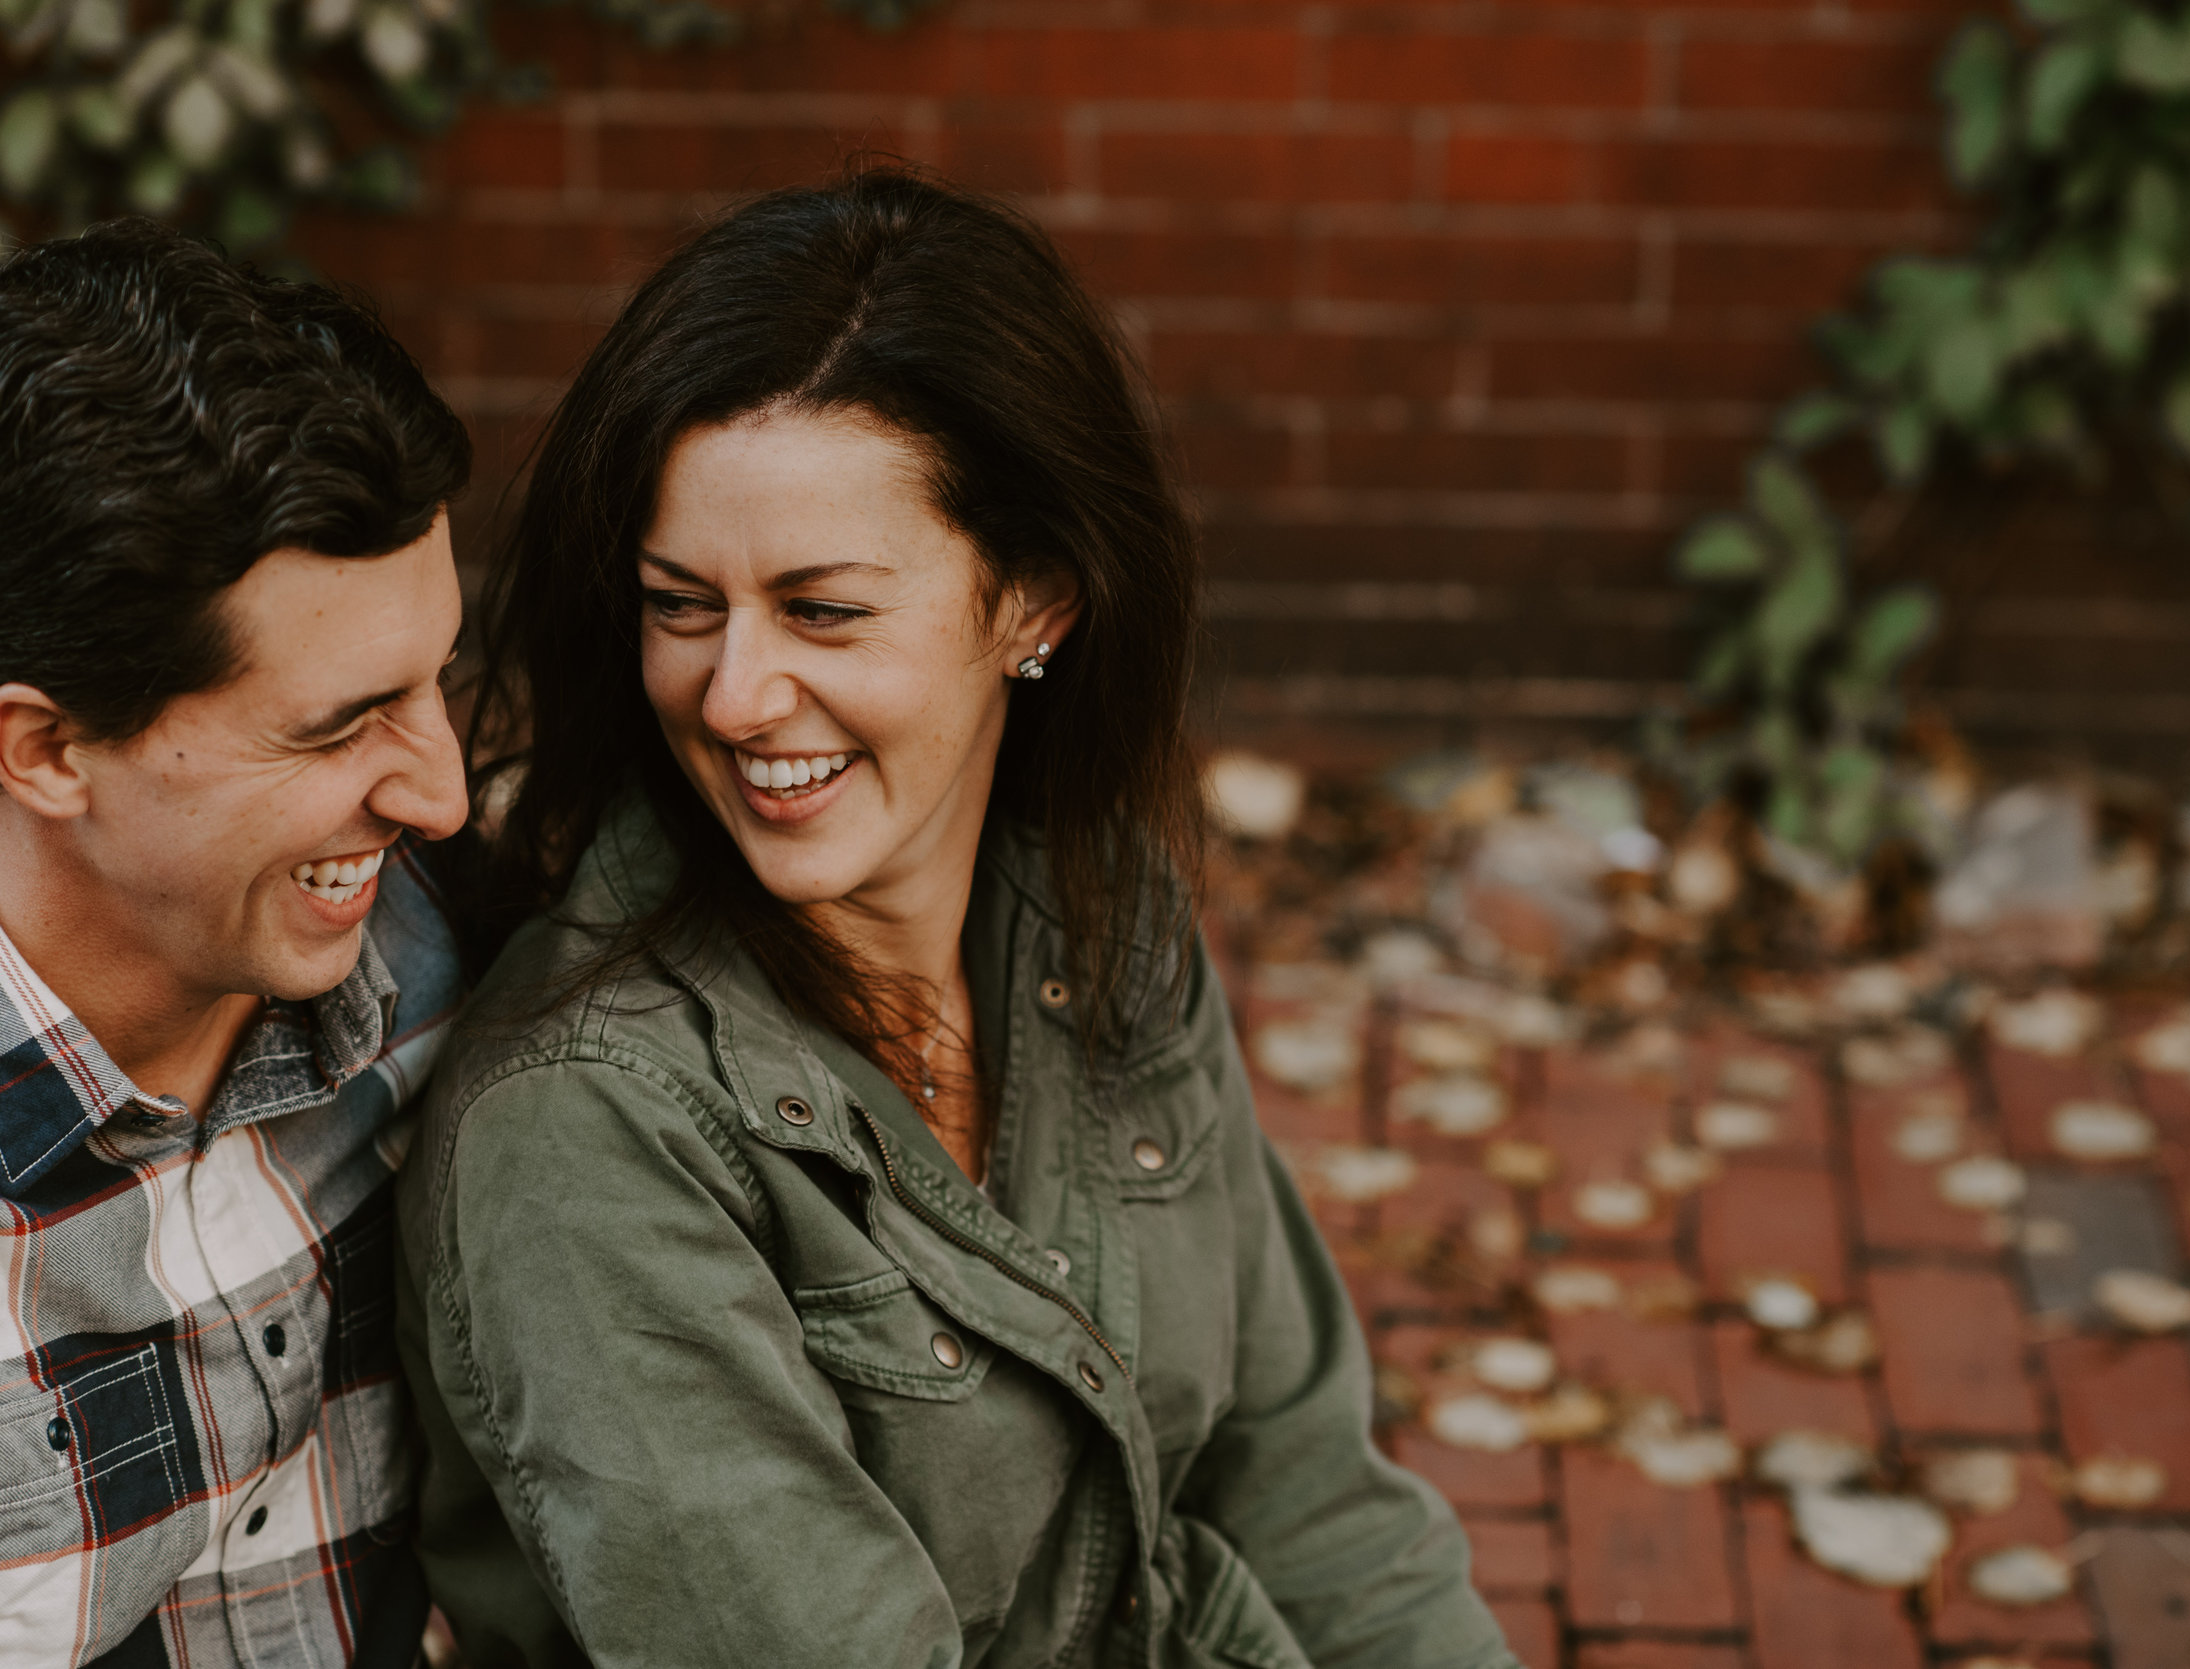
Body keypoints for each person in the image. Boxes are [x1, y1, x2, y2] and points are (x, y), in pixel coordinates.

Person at [401, 169, 1517, 1669]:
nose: (732, 695)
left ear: (1032, 602)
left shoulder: (1091, 911)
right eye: (682, 604)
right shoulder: (588, 1121)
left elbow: (1303, 1486)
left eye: (824, 610)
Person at [0, 220, 471, 1666]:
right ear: (50, 748)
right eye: (341, 724)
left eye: (435, 679)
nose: (441, 792)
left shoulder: (445, 963)